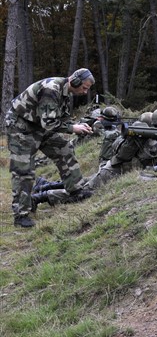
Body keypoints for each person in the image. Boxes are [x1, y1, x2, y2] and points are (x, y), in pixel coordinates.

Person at [31, 108, 157, 207]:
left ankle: (44, 185)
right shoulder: (154, 142)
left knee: (83, 183)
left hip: (113, 169)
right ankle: (38, 198)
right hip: (112, 173)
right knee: (83, 194)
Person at [5, 68, 96, 228]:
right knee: (23, 171)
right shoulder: (51, 89)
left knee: (63, 148)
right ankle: (21, 215)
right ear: (74, 81)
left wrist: (79, 126)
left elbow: (62, 118)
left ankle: (75, 190)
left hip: (39, 126)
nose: (85, 91)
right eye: (84, 87)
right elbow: (49, 122)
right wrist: (73, 128)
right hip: (21, 127)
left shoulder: (65, 93)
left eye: (87, 89)